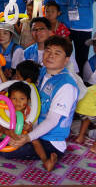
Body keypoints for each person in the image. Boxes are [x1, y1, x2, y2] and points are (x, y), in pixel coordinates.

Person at [5, 36, 79, 172]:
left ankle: (50, 157)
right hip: (32, 128)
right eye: (48, 51)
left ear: (66, 59)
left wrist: (27, 138)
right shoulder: (42, 72)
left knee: (5, 149)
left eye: (57, 53)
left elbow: (52, 120)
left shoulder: (66, 85)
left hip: (50, 141)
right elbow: (17, 90)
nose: (50, 56)